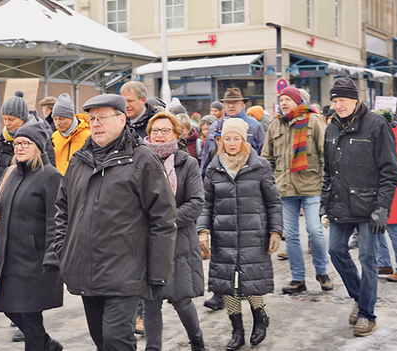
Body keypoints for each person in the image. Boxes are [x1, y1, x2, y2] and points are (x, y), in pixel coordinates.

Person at [54, 94, 177, 351]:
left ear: (122, 120)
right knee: (100, 338)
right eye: (92, 118)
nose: (96, 124)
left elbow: (162, 218)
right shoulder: (79, 160)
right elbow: (63, 210)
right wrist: (62, 250)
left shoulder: (143, 159)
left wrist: (158, 273)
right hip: (86, 268)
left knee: (117, 340)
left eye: (102, 118)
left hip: (125, 270)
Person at [322, 77, 397, 337]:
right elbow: (328, 172)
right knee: (335, 251)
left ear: (355, 99)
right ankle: (360, 297)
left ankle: (367, 314)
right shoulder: (331, 127)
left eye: (342, 99)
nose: (338, 105)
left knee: (368, 259)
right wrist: (325, 204)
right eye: (334, 100)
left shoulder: (377, 125)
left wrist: (382, 208)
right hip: (340, 204)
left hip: (369, 206)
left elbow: (391, 172)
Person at [197, 118, 282, 349]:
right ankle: (237, 331)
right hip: (223, 236)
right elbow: (206, 204)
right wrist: (203, 230)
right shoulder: (214, 168)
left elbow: (273, 202)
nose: (232, 143)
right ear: (220, 140)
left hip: (254, 233)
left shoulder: (260, 165)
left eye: (236, 138)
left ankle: (259, 319)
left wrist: (275, 230)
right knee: (227, 284)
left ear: (244, 140)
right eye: (227, 138)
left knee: (251, 280)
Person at [0, 120, 64, 351]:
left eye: (25, 143)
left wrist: (52, 255)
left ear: (38, 146)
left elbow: (55, 219)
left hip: (34, 259)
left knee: (29, 316)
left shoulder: (50, 176)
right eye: (17, 143)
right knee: (10, 308)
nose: (19, 147)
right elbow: (5, 205)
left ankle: (43, 345)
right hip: (8, 256)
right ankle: (48, 345)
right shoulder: (10, 173)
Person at [142, 112, 206, 351]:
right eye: (155, 130)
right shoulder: (138, 162)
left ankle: (197, 340)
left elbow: (196, 202)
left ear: (176, 134)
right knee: (150, 301)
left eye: (165, 130)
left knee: (181, 298)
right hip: (146, 241)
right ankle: (152, 347)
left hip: (178, 239)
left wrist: (164, 221)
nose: (159, 135)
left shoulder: (187, 163)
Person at [261, 86, 332, 294]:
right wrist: (271, 182)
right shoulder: (275, 124)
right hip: (284, 189)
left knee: (315, 231)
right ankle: (298, 278)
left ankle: (322, 271)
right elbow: (267, 158)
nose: (283, 103)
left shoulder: (314, 120)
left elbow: (326, 154)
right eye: (281, 99)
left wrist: (328, 184)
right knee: (291, 235)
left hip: (311, 186)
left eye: (288, 100)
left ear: (298, 101)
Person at [0, 90, 55, 202]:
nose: (7, 123)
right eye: (5, 119)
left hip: (29, 201)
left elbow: (49, 168)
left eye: (11, 119)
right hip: (2, 198)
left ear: (23, 118)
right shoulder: (2, 139)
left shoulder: (40, 137)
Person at [373, 109, 397, 282]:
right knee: (379, 227)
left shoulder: (391, 136)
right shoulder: (394, 134)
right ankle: (384, 264)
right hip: (389, 186)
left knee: (394, 229)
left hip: (395, 187)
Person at [200, 88, 265, 177]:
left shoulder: (255, 126)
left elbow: (263, 155)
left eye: (234, 102)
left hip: (248, 179)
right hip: (218, 180)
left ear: (242, 104)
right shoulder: (213, 127)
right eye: (228, 103)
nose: (231, 106)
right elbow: (205, 156)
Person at [50, 93, 90, 175]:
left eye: (62, 119)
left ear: (71, 117)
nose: (58, 123)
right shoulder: (55, 136)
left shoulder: (88, 135)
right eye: (55, 119)